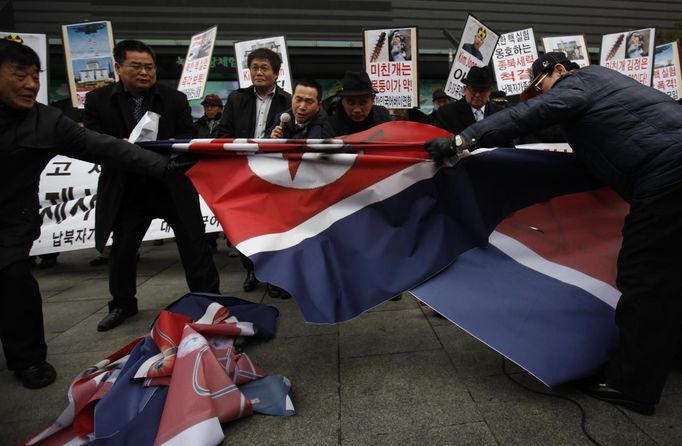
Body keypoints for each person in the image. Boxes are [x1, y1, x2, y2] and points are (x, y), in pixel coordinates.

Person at [425, 52, 682, 415]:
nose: (540, 95)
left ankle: (632, 384)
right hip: (668, 170)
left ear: (558, 70)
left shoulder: (581, 81)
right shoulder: (613, 91)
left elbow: (530, 114)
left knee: (645, 276)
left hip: (669, 175)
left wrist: (462, 141)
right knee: (673, 275)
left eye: (540, 86)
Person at [0, 39, 174, 388]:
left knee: (13, 280)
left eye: (35, 76)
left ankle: (29, 359)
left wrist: (166, 166)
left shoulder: (46, 121)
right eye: (20, 75)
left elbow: (104, 147)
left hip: (10, 221)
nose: (31, 84)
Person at [84, 39, 219, 332]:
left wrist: (166, 154)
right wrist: (116, 147)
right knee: (123, 249)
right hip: (127, 188)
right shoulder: (98, 101)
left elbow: (187, 136)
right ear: (119, 68)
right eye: (137, 66)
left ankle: (208, 300)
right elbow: (90, 143)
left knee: (195, 245)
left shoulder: (174, 99)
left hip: (170, 184)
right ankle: (122, 303)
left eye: (149, 67)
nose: (145, 72)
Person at [215, 48, 291, 293]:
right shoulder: (237, 99)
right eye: (254, 67)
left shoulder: (289, 101)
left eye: (264, 68)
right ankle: (251, 270)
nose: (258, 72)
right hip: (243, 171)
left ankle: (275, 275)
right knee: (246, 225)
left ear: (277, 73)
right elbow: (222, 133)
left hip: (275, 174)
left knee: (275, 226)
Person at [427, 66, 505, 147]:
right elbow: (441, 144)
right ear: (465, 89)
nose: (477, 95)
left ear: (489, 91)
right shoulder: (447, 113)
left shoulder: (500, 113)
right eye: (473, 90)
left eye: (482, 91)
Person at [328, 71, 390, 136]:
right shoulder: (331, 125)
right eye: (351, 104)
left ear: (372, 99)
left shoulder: (383, 117)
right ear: (342, 101)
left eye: (362, 104)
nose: (357, 110)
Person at [269, 79, 333, 139]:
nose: (302, 107)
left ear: (318, 105)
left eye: (309, 102)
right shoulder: (281, 119)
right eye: (298, 100)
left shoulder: (325, 128)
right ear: (292, 99)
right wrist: (271, 139)